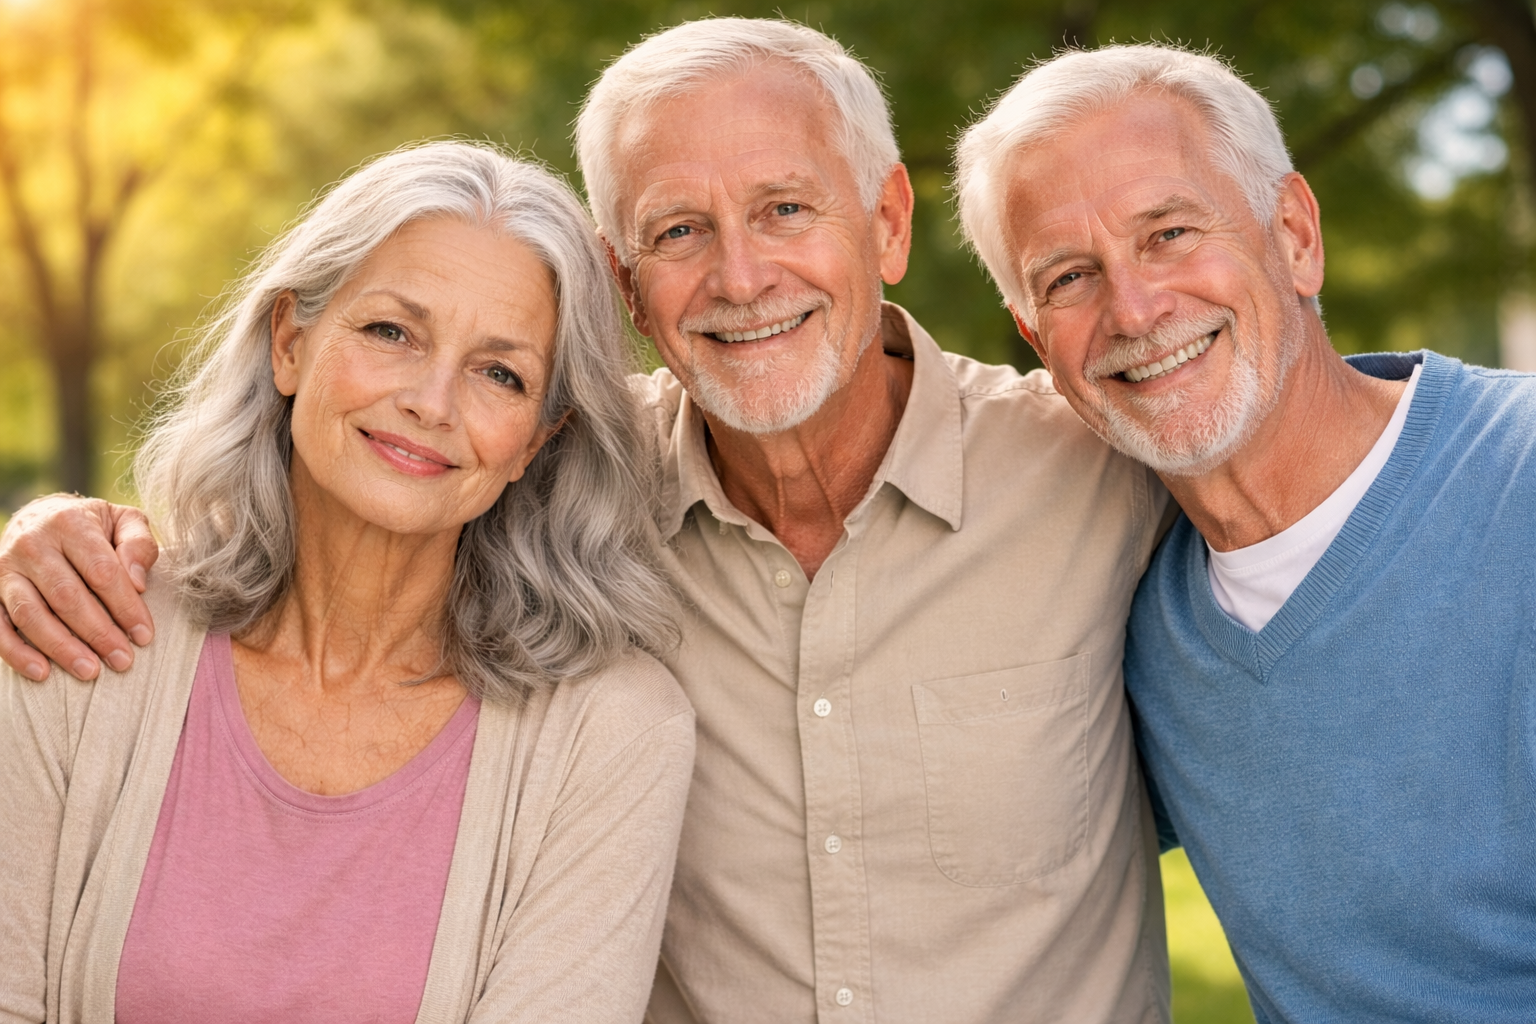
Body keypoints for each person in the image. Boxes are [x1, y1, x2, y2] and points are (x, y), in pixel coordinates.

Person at [0, 21, 1173, 1023]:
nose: (742, 276)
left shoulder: (1098, 470)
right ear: (625, 285)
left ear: (888, 222)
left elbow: (1309, 489)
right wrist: (50, 530)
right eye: (678, 231)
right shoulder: (584, 511)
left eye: (784, 208)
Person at [0, 141, 696, 1023]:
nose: (432, 402)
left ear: (535, 441)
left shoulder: (614, 735)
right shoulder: (84, 625)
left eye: (499, 373)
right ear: (291, 343)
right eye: (391, 332)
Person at [955, 43, 1536, 1024]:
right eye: (1068, 278)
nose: (1135, 308)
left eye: (1171, 232)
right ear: (1034, 337)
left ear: (1296, 235)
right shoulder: (1142, 618)